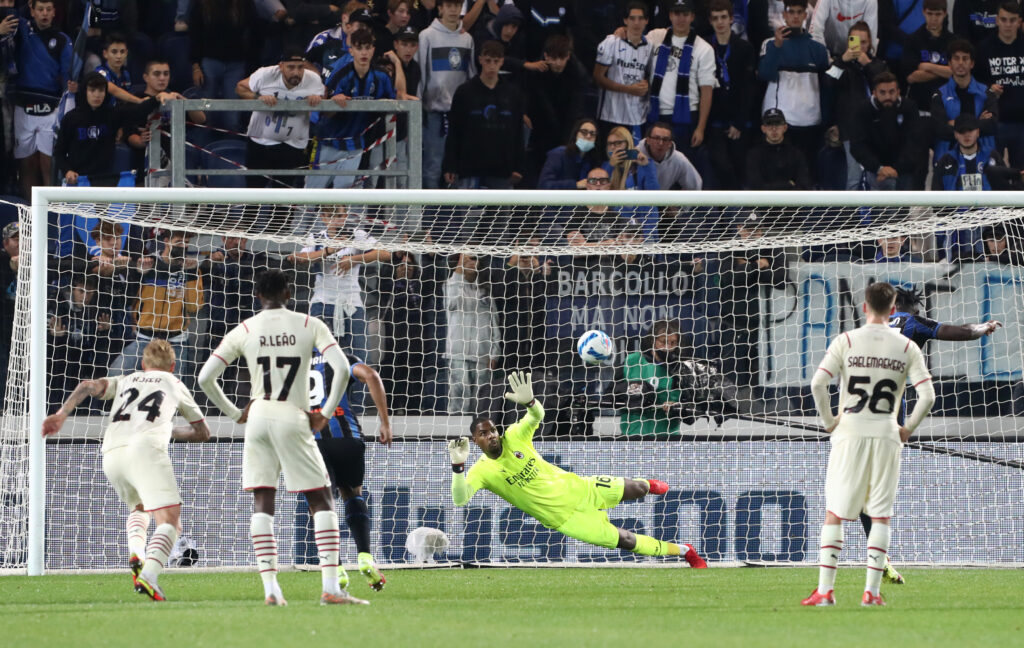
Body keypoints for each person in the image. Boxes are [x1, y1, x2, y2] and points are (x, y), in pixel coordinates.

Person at [197, 269, 367, 606]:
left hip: (259, 415)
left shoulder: (245, 328)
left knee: (263, 498)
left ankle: (271, 589)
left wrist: (235, 413)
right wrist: (325, 410)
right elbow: (343, 368)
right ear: (289, 293)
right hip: (293, 414)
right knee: (321, 499)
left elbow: (205, 378)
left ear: (258, 296)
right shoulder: (308, 324)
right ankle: (331, 588)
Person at [448, 371, 708, 566]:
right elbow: (460, 499)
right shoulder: (482, 471)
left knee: (638, 488)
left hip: (580, 487)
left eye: (492, 429)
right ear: (475, 441)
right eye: (484, 434)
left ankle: (649, 484)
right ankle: (684, 551)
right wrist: (458, 466)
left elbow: (536, 417)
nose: (491, 435)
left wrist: (530, 402)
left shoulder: (515, 436)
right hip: (567, 519)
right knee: (626, 541)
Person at [42, 340, 211, 602]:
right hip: (146, 450)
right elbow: (203, 433)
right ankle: (149, 576)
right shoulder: (175, 384)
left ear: (143, 365)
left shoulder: (126, 379)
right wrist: (169, 430)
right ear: (173, 366)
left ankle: (137, 555)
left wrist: (62, 414)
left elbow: (87, 385)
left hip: (111, 452)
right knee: (169, 521)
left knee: (140, 507)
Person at [860, 284, 1003, 584]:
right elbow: (955, 331)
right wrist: (982, 328)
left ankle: (877, 557)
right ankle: (878, 558)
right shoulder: (912, 322)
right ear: (912, 309)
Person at [803, 282, 935, 607]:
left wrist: (829, 421)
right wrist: (907, 428)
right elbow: (928, 395)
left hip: (850, 432)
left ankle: (825, 591)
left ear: (865, 308)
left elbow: (818, 383)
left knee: (835, 512)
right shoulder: (907, 347)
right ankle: (872, 593)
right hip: (887, 434)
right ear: (893, 310)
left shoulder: (847, 340)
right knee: (880, 516)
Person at [294, 351, 393, 591]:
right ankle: (365, 556)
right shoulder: (341, 358)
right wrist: (385, 422)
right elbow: (371, 375)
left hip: (313, 442)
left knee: (320, 506)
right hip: (348, 439)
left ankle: (335, 569)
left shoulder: (293, 363)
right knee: (353, 494)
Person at [287, 205, 391, 371]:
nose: (337, 220)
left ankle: (356, 397)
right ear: (323, 218)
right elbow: (299, 258)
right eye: (331, 216)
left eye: (340, 215)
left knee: (360, 358)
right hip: (323, 303)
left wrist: (355, 259)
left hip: (352, 304)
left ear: (346, 216)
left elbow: (385, 254)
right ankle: (324, 395)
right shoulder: (317, 238)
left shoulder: (357, 235)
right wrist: (329, 250)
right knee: (320, 358)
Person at [110, 229, 204, 385]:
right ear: (166, 241)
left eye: (186, 243)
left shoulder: (191, 268)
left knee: (175, 390)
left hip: (176, 340)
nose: (183, 246)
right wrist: (139, 274)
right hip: (144, 337)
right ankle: (106, 410)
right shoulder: (149, 263)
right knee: (114, 374)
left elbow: (194, 307)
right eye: (179, 242)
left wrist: (192, 275)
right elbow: (128, 300)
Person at [306, 28, 397, 191]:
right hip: (328, 141)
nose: (364, 52)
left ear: (373, 50)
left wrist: (384, 104)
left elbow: (393, 105)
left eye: (367, 48)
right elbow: (324, 110)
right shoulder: (341, 75)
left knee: (346, 196)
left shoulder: (382, 77)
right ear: (351, 50)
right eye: (359, 48)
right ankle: (305, 217)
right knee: (312, 194)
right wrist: (333, 103)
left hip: (355, 144)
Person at [644, 0, 717, 183]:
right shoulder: (655, 36)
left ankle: (684, 210)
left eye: (685, 14)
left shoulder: (704, 48)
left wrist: (700, 128)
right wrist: (620, 31)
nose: (681, 18)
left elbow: (706, 91)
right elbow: (634, 40)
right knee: (651, 166)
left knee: (683, 168)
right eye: (677, 13)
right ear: (670, 15)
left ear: (692, 17)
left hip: (685, 119)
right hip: (655, 115)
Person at [757, 0, 831, 179]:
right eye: (791, 12)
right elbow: (765, 74)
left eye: (800, 12)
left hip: (810, 121)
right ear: (784, 15)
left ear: (806, 15)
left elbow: (828, 86)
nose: (796, 16)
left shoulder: (818, 49)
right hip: (782, 121)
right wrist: (777, 46)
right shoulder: (769, 44)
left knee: (808, 175)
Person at [237, 48, 326, 194]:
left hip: (292, 145)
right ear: (281, 66)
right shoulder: (265, 74)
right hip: (261, 142)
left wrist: (317, 99)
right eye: (291, 67)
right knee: (253, 195)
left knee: (285, 198)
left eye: (300, 67)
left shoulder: (313, 79)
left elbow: (323, 98)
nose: (296, 72)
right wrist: (257, 98)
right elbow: (240, 87)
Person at [8, 0, 73, 199]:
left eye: (48, 9)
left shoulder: (62, 40)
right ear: (32, 11)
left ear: (54, 12)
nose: (44, 13)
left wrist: (72, 86)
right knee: (27, 164)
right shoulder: (21, 31)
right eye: (40, 9)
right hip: (23, 107)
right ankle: (29, 214)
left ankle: (50, 215)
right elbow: (8, 11)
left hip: (50, 109)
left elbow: (68, 76)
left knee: (47, 164)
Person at [443, 40, 525, 190]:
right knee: (468, 213)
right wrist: (450, 165)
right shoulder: (464, 92)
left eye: (496, 61)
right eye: (488, 61)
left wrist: (518, 166)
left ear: (502, 62)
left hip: (503, 168)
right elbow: (454, 130)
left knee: (501, 213)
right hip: (470, 166)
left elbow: (518, 132)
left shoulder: (513, 93)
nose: (492, 66)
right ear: (480, 60)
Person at [416, 0, 476, 189]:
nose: (453, 10)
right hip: (434, 113)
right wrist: (419, 108)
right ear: (440, 8)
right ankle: (428, 216)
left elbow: (471, 75)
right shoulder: (426, 36)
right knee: (433, 166)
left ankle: (458, 216)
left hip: (460, 115)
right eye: (449, 6)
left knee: (460, 166)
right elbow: (420, 75)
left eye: (457, 6)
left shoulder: (467, 39)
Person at [832, 21, 889, 191]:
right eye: (855, 41)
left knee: (879, 178)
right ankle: (853, 218)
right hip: (853, 131)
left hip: (878, 129)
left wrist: (868, 65)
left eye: (863, 42)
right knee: (853, 179)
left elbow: (886, 85)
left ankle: (880, 217)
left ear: (870, 42)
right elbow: (828, 83)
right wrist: (842, 61)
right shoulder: (841, 65)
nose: (859, 46)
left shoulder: (879, 64)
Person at [705, 0, 756, 190]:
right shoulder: (704, 46)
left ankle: (738, 216)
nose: (720, 22)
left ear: (731, 19)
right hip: (714, 120)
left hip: (739, 121)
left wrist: (739, 122)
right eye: (715, 18)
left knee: (738, 169)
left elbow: (749, 88)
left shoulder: (745, 48)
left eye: (724, 17)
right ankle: (722, 217)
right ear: (710, 21)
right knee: (718, 169)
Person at [444, 252, 500, 414]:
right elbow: (451, 303)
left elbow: (494, 323)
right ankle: (456, 434)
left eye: (473, 258)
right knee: (459, 395)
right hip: (458, 353)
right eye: (465, 258)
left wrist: (495, 353)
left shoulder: (485, 291)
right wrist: (458, 271)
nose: (470, 261)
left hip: (483, 354)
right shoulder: (450, 285)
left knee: (482, 400)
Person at [849, 71, 924, 191]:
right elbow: (857, 145)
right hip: (875, 171)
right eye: (882, 92)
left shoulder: (909, 107)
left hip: (903, 171)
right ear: (874, 93)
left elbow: (915, 142)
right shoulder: (863, 109)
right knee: (876, 208)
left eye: (892, 92)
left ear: (898, 92)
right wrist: (879, 168)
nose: (887, 97)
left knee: (902, 209)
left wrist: (896, 169)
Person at [930, 40, 998, 161]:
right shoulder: (939, 95)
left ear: (972, 63)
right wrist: (976, 122)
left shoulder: (986, 93)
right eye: (956, 58)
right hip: (948, 160)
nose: (960, 63)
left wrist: (953, 124)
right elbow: (940, 129)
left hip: (983, 159)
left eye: (965, 59)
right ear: (950, 63)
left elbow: (991, 125)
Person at [593, 2, 652, 141]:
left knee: (631, 157)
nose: (636, 23)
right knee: (612, 157)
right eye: (632, 18)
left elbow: (650, 77)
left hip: (637, 118)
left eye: (641, 18)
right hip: (610, 115)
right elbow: (597, 77)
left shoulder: (651, 46)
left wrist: (646, 86)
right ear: (625, 20)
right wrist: (627, 89)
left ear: (647, 21)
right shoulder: (611, 43)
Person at [976, 2, 1024, 167]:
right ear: (997, 20)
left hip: (1021, 123)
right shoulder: (984, 48)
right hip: (995, 122)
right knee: (993, 173)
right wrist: (989, 87)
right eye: (1004, 20)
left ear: (1019, 21)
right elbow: (975, 81)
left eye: (1012, 20)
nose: (1008, 25)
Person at [54, 72, 121, 186]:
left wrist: (157, 98)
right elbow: (59, 152)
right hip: (78, 180)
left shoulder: (113, 116)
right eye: (92, 90)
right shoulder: (71, 118)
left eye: (101, 90)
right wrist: (67, 170)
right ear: (85, 91)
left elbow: (138, 111)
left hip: (105, 181)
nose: (97, 95)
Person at [932, 112, 1021, 192]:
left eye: (970, 130)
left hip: (990, 210)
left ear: (978, 132)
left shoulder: (993, 156)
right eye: (961, 131)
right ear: (955, 135)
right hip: (955, 210)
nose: (966, 135)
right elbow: (936, 198)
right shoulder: (944, 162)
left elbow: (1005, 190)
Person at [902, 0, 954, 118]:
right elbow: (911, 77)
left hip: (947, 106)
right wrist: (945, 71)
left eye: (938, 14)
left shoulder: (953, 41)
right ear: (923, 12)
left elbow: (958, 72)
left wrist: (929, 67)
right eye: (930, 14)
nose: (933, 18)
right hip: (920, 106)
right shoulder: (912, 40)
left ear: (945, 14)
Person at [745, 108, 812, 190]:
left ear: (785, 128)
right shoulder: (754, 155)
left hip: (791, 201)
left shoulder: (796, 154)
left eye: (778, 123)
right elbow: (755, 186)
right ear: (763, 129)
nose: (774, 129)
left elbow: (803, 185)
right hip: (764, 201)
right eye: (769, 124)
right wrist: (789, 184)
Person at [537, 117, 602, 190]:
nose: (588, 136)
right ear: (575, 134)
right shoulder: (559, 154)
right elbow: (544, 184)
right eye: (584, 132)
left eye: (593, 134)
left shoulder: (591, 160)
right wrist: (575, 184)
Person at [809, 0, 879, 58]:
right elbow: (815, 30)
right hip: (828, 52)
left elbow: (871, 36)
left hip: (856, 55)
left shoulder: (870, 1)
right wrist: (826, 59)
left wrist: (867, 60)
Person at [0, 222, 17, 398]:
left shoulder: (43, 260)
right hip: (4, 324)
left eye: (23, 238)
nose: (20, 242)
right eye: (15, 239)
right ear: (5, 243)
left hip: (26, 325)